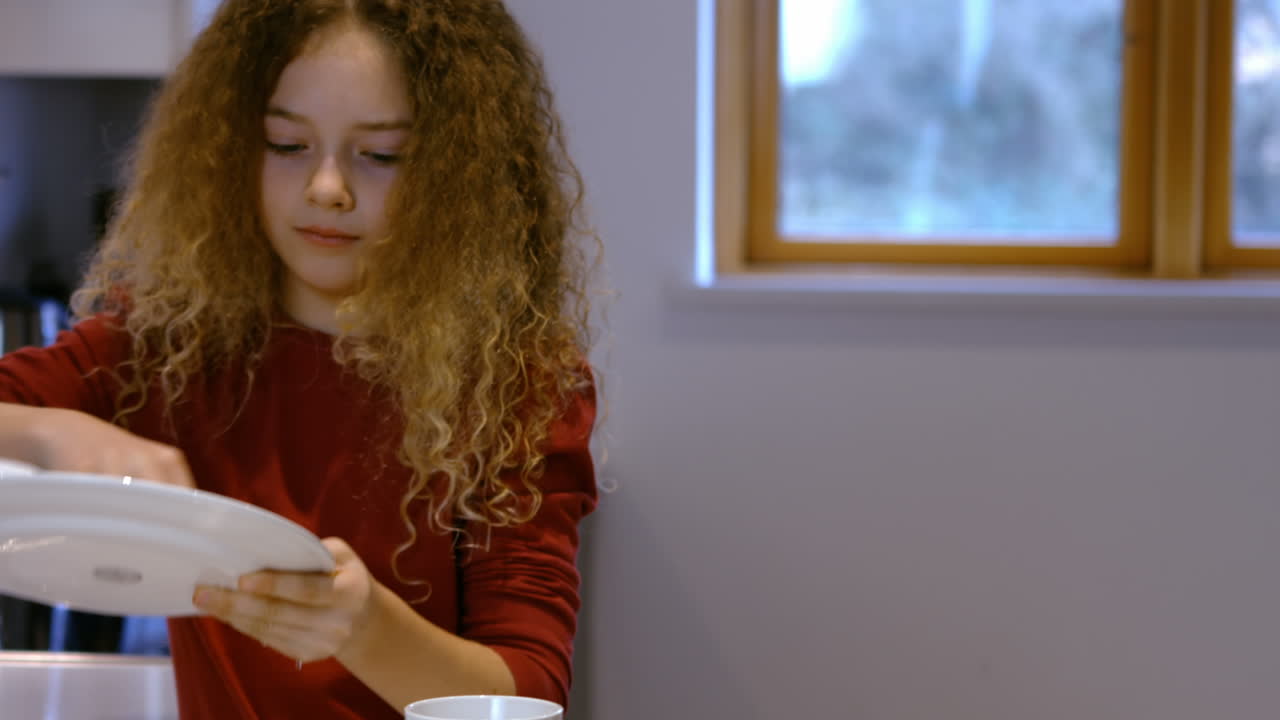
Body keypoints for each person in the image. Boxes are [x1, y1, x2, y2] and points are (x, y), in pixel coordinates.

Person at [0, 1, 601, 717]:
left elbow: (529, 690)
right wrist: (47, 432)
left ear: (459, 176)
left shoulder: (516, 386)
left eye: (381, 156)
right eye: (287, 145)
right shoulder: (174, 341)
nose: (326, 189)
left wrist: (366, 629)